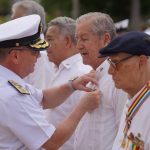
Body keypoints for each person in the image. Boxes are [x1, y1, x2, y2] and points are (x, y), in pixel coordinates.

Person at [0, 15, 100, 150]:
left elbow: (43, 98)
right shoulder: (12, 95)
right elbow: (51, 142)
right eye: (34, 51)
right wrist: (81, 107)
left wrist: (71, 86)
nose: (39, 56)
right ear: (15, 56)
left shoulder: (7, 82)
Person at [74, 12, 127, 150]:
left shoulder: (119, 79)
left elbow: (124, 134)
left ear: (106, 39)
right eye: (77, 39)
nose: (78, 46)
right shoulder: (91, 76)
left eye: (84, 39)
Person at [45, 16, 92, 150]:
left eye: (49, 39)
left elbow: (86, 124)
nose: (44, 44)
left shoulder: (82, 73)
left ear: (66, 41)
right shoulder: (57, 68)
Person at [99, 31, 150, 150]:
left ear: (141, 62)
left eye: (115, 63)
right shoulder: (133, 97)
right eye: (110, 62)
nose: (110, 71)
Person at [11, 0, 53, 89]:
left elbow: (39, 95)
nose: (11, 22)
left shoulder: (41, 53)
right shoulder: (23, 45)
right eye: (12, 19)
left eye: (16, 19)